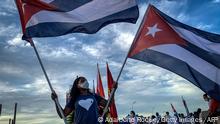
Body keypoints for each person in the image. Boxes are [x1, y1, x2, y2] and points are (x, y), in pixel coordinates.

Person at [51, 76, 117, 124]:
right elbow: (62, 114)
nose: (85, 82)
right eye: (82, 81)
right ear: (77, 85)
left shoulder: (94, 95)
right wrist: (56, 101)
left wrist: (113, 91)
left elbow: (109, 104)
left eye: (86, 80)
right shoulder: (74, 98)